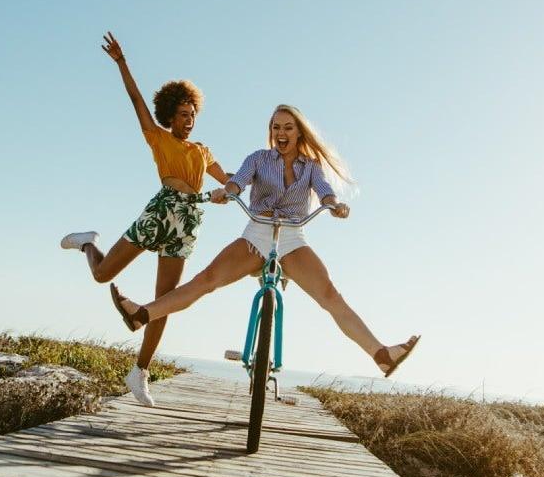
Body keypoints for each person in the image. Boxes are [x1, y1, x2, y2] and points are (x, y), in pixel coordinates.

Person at [109, 104, 420, 378]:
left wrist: (333, 204)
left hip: (292, 237)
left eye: (287, 127)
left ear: (299, 133)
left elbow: (324, 189)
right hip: (257, 234)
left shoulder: (311, 166)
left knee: (330, 296)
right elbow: (238, 181)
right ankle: (142, 315)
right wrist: (227, 191)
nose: (280, 133)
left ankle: (381, 355)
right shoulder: (258, 159)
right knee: (206, 279)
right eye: (275, 127)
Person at [61, 31, 233, 406]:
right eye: (183, 115)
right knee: (102, 274)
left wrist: (232, 189)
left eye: (193, 115)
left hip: (188, 224)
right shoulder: (158, 138)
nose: (189, 120)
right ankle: (88, 242)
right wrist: (122, 62)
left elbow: (231, 179)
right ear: (170, 115)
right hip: (160, 213)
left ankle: (139, 371)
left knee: (165, 301)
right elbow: (135, 99)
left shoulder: (202, 151)